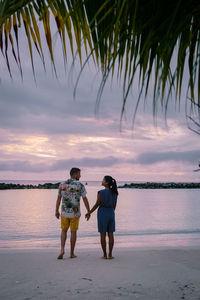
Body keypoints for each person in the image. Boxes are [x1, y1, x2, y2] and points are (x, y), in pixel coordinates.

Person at [55, 168, 90, 259]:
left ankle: (62, 250)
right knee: (73, 232)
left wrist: (56, 210)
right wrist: (88, 211)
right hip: (75, 213)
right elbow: (84, 198)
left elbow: (59, 198)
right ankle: (71, 253)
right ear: (74, 174)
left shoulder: (62, 184)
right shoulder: (80, 185)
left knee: (64, 231)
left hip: (64, 212)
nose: (80, 176)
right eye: (79, 174)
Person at [85, 176, 118, 259]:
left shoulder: (101, 192)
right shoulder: (115, 193)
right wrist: (111, 212)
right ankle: (110, 254)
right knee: (111, 234)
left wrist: (89, 212)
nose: (102, 181)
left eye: (103, 180)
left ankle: (104, 255)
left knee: (102, 234)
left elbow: (97, 204)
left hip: (102, 213)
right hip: (111, 213)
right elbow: (114, 206)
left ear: (106, 182)